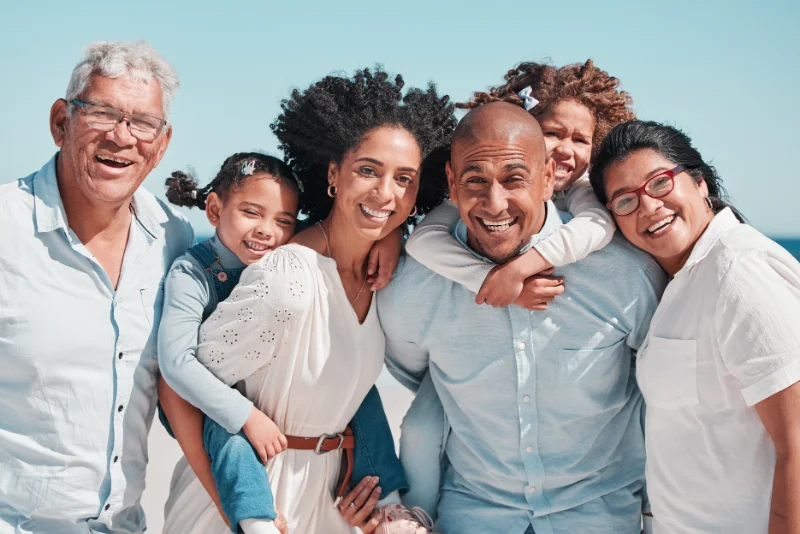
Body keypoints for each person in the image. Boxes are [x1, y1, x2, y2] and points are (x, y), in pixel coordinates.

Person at [161, 67, 457, 534]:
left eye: (405, 178)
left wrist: (367, 501)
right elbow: (183, 383)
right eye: (368, 170)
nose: (386, 193)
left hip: (330, 503)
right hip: (248, 505)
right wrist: (234, 507)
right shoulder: (285, 280)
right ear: (334, 174)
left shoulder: (390, 275)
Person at [378, 101, 667, 534]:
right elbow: (415, 375)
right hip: (473, 513)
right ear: (452, 184)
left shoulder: (626, 274)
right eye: (475, 181)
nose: (495, 205)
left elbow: (661, 401)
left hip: (600, 515)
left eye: (515, 180)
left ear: (549, 178)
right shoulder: (412, 286)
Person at [157, 152, 415, 534]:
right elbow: (176, 363)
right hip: (205, 396)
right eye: (251, 212)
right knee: (233, 431)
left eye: (282, 220)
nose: (267, 230)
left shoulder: (283, 251)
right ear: (213, 209)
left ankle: (389, 497)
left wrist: (393, 234)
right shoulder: (191, 273)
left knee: (360, 389)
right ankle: (255, 517)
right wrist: (247, 415)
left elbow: (350, 225)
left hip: (260, 394)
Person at [0, 41, 193, 533]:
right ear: (61, 122)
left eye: (142, 122)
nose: (123, 137)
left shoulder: (175, 239)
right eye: (103, 113)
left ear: (162, 143)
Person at [589, 120, 800, 534]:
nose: (648, 206)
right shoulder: (681, 280)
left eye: (660, 184)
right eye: (625, 201)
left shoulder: (739, 270)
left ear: (700, 182)